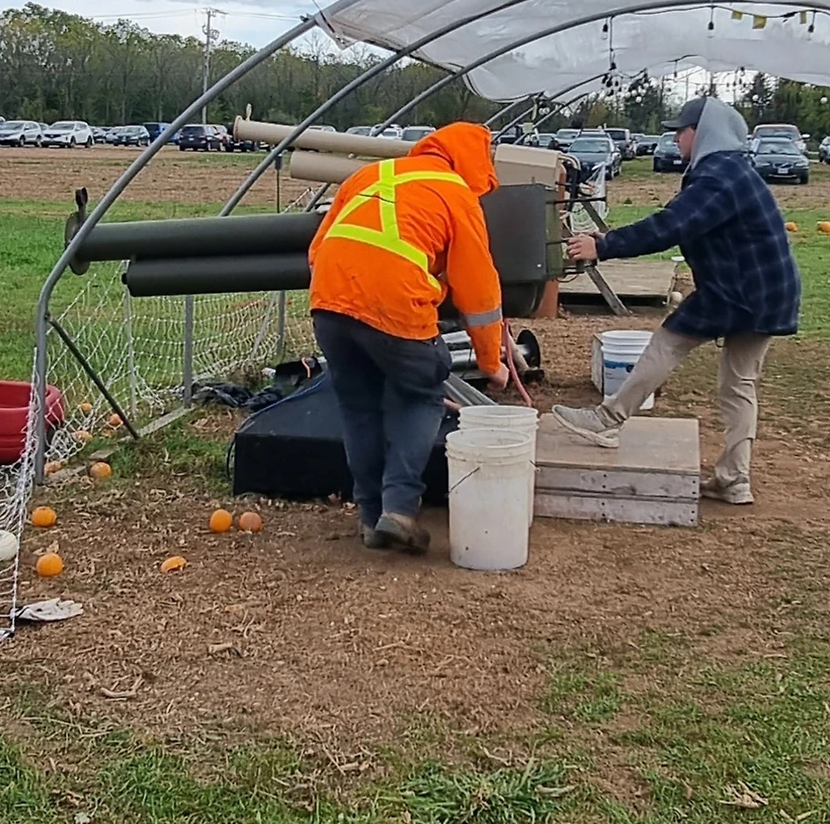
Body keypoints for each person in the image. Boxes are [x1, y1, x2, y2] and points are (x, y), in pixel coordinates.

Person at [552, 97, 800, 503]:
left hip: (738, 291)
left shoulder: (719, 178)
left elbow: (671, 226)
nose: (676, 139)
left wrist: (604, 247)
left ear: (701, 133)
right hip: (768, 292)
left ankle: (607, 419)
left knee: (667, 343)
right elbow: (679, 220)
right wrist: (608, 239)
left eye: (680, 132)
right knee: (739, 386)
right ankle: (735, 480)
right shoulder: (732, 172)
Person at [308, 121, 508, 554]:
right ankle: (399, 510)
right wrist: (491, 363)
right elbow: (479, 293)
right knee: (421, 395)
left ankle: (369, 517)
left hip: (329, 301)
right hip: (394, 305)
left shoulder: (369, 175)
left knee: (359, 407)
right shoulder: (456, 194)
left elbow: (317, 248)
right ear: (472, 161)